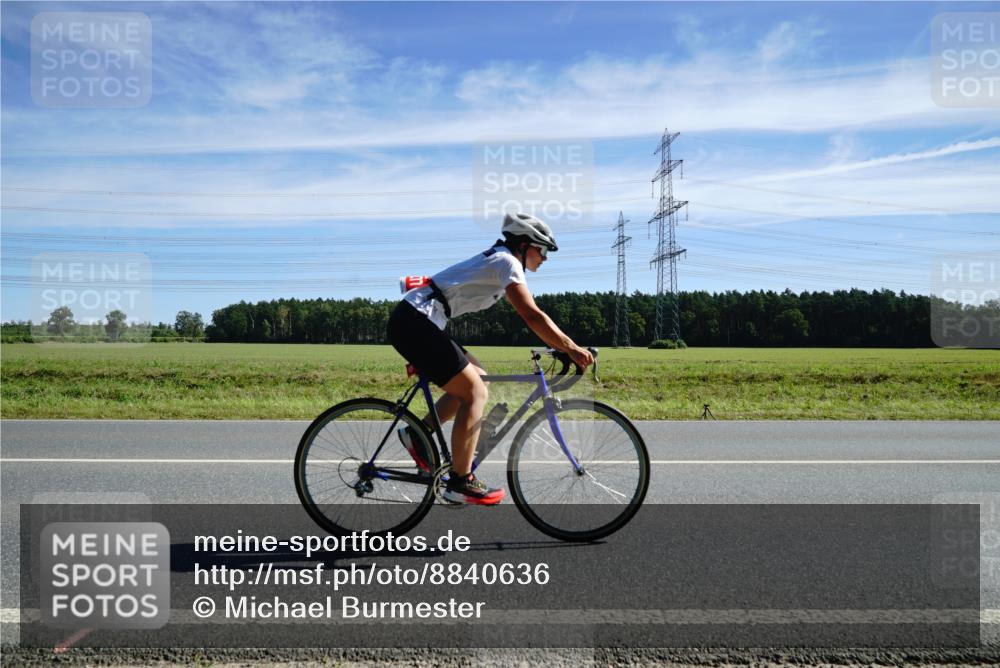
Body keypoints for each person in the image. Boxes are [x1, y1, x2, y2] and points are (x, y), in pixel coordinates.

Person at [386, 212, 594, 505]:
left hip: (421, 322)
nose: (545, 258)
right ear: (524, 244)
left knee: (477, 377)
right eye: (543, 250)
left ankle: (419, 436)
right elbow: (531, 314)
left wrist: (562, 345)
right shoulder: (507, 262)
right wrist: (571, 347)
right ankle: (460, 481)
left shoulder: (500, 260)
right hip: (416, 322)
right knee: (475, 392)